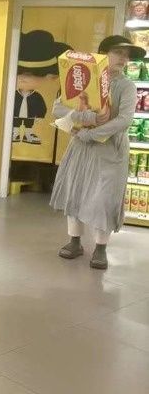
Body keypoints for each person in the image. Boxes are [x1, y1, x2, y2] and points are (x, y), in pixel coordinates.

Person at [51, 35, 146, 269]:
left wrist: (91, 133)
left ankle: (101, 248)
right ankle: (74, 242)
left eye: (126, 55)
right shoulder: (82, 78)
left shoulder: (127, 86)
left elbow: (124, 120)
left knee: (104, 198)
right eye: (118, 53)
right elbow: (58, 109)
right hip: (80, 149)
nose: (123, 58)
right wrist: (87, 117)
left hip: (110, 151)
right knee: (75, 191)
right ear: (102, 54)